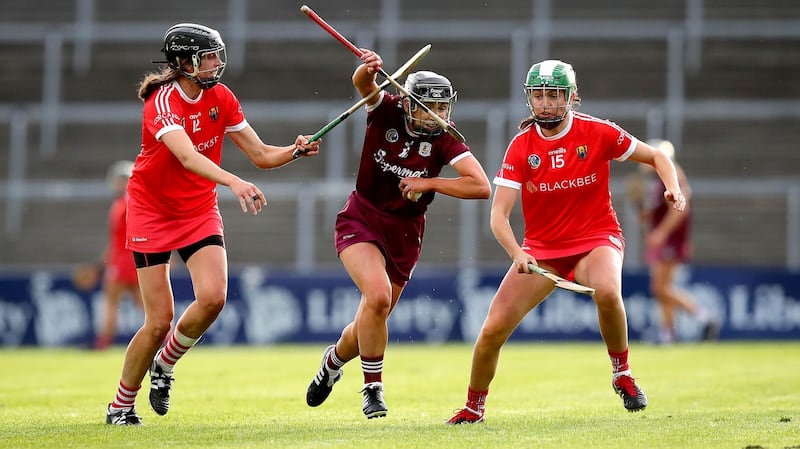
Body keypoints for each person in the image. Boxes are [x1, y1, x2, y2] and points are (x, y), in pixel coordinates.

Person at [446, 60, 688, 425]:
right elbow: (498, 216)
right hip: (541, 251)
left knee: (607, 291)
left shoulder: (598, 132)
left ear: (571, 97)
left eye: (553, 95)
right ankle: (473, 408)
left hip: (596, 239)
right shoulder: (520, 147)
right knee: (492, 329)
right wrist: (517, 252)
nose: (545, 103)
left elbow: (656, 156)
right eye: (538, 95)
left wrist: (672, 187)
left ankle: (622, 372)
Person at [105, 22, 320, 426]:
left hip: (197, 209)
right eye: (209, 57)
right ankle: (120, 405)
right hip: (151, 210)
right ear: (184, 62)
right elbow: (187, 157)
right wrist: (233, 181)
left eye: (218, 55)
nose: (218, 63)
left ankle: (165, 366)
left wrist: (294, 150)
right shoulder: (161, 102)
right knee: (158, 322)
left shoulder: (220, 96)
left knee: (213, 297)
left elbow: (259, 154)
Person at [304, 49, 491, 419]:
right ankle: (373, 389)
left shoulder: (445, 139)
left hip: (405, 233)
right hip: (362, 218)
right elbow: (362, 84)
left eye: (443, 107)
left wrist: (431, 181)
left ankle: (332, 361)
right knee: (377, 296)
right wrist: (367, 68)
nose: (438, 115)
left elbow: (481, 186)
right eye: (428, 107)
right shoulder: (386, 109)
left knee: (370, 320)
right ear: (408, 104)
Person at [628, 139, 719, 344]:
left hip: (671, 240)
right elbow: (659, 209)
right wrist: (645, 215)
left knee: (660, 288)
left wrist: (660, 232)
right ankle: (668, 335)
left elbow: (680, 209)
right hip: (666, 239)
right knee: (663, 288)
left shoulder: (673, 174)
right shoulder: (659, 178)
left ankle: (703, 317)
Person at [94, 160, 143, 350]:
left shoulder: (121, 204)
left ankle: (102, 343)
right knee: (146, 305)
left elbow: (117, 240)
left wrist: (102, 264)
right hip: (139, 259)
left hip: (122, 260)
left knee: (111, 302)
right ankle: (167, 340)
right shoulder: (138, 201)